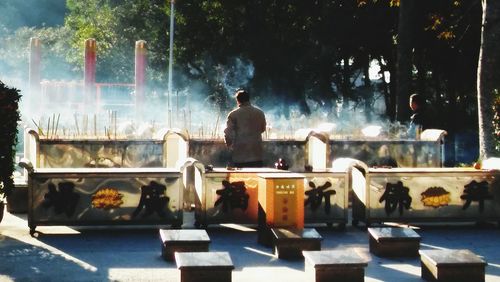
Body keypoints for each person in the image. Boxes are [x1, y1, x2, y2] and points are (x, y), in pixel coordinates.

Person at [223, 89, 267, 168]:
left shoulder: (233, 114)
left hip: (240, 155)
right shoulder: (260, 113)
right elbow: (263, 129)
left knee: (241, 178)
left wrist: (229, 146)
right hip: (256, 153)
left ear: (238, 100)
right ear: (248, 99)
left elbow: (228, 133)